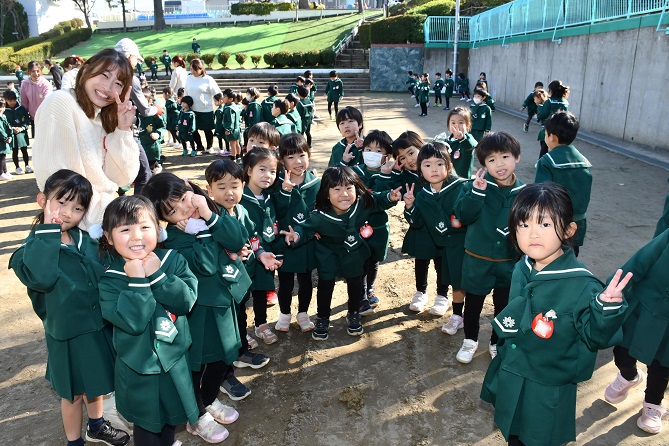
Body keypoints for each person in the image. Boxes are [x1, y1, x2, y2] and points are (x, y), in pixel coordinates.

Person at [480, 182, 631, 446]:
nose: (533, 233)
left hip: (547, 385)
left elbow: (597, 337)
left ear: (569, 230)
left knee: (537, 439)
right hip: (513, 369)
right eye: (524, 224)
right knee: (512, 433)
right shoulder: (522, 267)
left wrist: (606, 308)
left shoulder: (582, 284)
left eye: (545, 224)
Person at [9, 170, 131, 446]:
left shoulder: (85, 239)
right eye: (61, 203)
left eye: (77, 208)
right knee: (73, 394)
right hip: (67, 336)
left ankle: (96, 425)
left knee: (96, 384)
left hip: (97, 327)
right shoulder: (29, 252)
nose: (67, 213)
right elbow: (42, 277)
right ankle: (74, 442)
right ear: (43, 200)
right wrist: (48, 231)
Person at [142, 173, 245, 442]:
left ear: (189, 187)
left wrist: (209, 217)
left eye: (183, 198)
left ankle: (207, 400)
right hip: (198, 312)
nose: (184, 209)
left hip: (223, 303)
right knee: (196, 365)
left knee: (224, 358)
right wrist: (201, 233)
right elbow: (206, 266)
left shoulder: (212, 212)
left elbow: (238, 240)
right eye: (172, 211)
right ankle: (196, 415)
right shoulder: (173, 239)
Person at [98, 195, 201, 445]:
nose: (136, 236)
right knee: (146, 425)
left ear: (158, 229)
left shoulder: (172, 261)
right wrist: (138, 281)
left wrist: (157, 275)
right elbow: (133, 322)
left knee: (170, 419)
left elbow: (185, 302)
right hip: (138, 368)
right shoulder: (110, 280)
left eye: (145, 227)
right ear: (109, 237)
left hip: (174, 360)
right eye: (125, 229)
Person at [32, 48, 138, 230]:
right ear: (87, 68)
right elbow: (58, 184)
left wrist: (122, 130)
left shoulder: (101, 118)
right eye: (104, 75)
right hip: (76, 224)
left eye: (118, 83)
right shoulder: (61, 102)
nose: (108, 87)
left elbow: (122, 178)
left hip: (100, 221)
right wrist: (109, 220)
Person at [294, 166, 402, 340]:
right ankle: (322, 318)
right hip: (328, 252)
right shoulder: (319, 214)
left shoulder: (362, 203)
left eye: (349, 188)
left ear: (356, 189)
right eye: (337, 189)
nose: (344, 194)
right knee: (326, 284)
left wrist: (390, 197)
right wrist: (296, 235)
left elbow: (379, 200)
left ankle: (353, 313)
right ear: (326, 193)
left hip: (353, 249)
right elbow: (306, 227)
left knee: (355, 281)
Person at [454, 131, 525, 363]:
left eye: (505, 157)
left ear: (517, 157)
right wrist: (477, 192)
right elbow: (463, 215)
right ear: (484, 164)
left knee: (503, 306)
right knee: (473, 304)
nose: (499, 164)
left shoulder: (525, 193)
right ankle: (470, 340)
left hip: (509, 262)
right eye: (491, 160)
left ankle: (496, 342)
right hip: (478, 260)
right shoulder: (474, 186)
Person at [204, 159, 273, 399]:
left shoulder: (242, 210)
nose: (229, 193)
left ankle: (241, 352)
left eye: (234, 186)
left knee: (241, 317)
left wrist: (260, 253)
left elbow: (252, 237)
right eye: (221, 187)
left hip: (241, 280)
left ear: (243, 186)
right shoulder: (210, 217)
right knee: (225, 331)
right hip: (222, 286)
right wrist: (230, 253)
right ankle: (225, 376)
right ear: (209, 190)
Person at [603, 227, 669, 434]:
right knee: (622, 351)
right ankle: (629, 375)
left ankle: (652, 404)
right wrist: (615, 285)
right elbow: (641, 260)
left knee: (661, 366)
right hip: (643, 305)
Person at [403, 142, 468, 320]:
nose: (434, 169)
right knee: (426, 260)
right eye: (427, 165)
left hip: (457, 244)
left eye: (439, 163)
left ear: (449, 166)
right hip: (433, 238)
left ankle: (444, 298)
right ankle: (421, 292)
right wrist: (410, 206)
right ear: (420, 169)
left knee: (450, 271)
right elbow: (416, 222)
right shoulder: (423, 194)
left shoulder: (461, 188)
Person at [273, 133, 320, 332]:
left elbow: (318, 213)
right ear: (282, 160)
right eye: (291, 157)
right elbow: (275, 211)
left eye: (302, 155)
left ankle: (303, 313)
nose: (298, 161)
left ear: (309, 155)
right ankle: (284, 314)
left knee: (305, 280)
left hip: (306, 241)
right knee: (284, 281)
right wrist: (284, 191)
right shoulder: (275, 183)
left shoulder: (316, 183)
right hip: (283, 242)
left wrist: (309, 231)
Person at [239, 147, 284, 344]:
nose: (268, 175)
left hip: (266, 252)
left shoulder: (268, 197)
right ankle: (241, 332)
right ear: (249, 170)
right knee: (242, 295)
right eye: (262, 169)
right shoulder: (240, 197)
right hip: (245, 254)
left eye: (273, 171)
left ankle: (261, 325)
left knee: (261, 289)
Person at [535, 111, 591, 257]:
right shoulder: (583, 163)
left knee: (548, 258)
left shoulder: (547, 162)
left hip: (553, 223)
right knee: (570, 257)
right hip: (577, 224)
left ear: (552, 137)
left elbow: (540, 194)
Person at [114, 38, 160, 195]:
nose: (136, 63)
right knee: (144, 174)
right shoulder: (129, 78)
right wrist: (157, 109)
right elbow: (145, 110)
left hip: (104, 131)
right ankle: (138, 207)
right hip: (126, 130)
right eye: (135, 59)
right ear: (129, 57)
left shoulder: (104, 75)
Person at [186, 58, 222, 154]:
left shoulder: (208, 79)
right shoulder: (189, 78)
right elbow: (186, 92)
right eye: (191, 69)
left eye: (195, 69)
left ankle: (209, 146)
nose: (193, 71)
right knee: (193, 129)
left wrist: (218, 102)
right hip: (192, 109)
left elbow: (217, 93)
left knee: (207, 129)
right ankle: (199, 146)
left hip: (206, 109)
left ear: (201, 68)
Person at [433, 107, 478, 179]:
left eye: (461, 122)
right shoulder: (446, 140)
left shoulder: (467, 138)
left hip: (462, 180)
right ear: (448, 125)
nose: (456, 125)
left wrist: (462, 137)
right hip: (447, 178)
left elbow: (472, 145)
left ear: (467, 125)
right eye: (453, 123)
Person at [536, 79, 569, 159]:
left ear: (551, 90)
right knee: (558, 148)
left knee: (544, 146)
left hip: (549, 128)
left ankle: (541, 162)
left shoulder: (549, 101)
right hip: (561, 129)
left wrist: (539, 107)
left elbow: (542, 115)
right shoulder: (565, 102)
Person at [3, 89, 32, 175]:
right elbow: (5, 123)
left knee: (24, 150)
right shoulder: (5, 111)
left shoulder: (21, 108)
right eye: (10, 101)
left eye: (14, 100)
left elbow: (27, 119)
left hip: (22, 132)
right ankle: (17, 167)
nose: (12, 102)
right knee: (15, 151)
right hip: (12, 133)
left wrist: (22, 128)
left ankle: (27, 165)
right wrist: (12, 129)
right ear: (6, 100)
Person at [20, 60, 52, 138]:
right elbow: (24, 102)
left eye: (38, 71)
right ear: (29, 72)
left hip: (45, 117)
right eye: (33, 71)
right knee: (36, 139)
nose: (36, 74)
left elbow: (47, 101)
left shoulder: (46, 84)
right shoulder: (25, 84)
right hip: (33, 117)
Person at [137, 88, 165, 175]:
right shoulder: (135, 114)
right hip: (138, 146)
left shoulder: (154, 115)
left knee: (149, 171)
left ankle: (156, 167)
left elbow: (162, 126)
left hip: (151, 148)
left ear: (149, 101)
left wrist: (158, 134)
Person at [222, 89, 242, 158]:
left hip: (232, 130)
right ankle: (238, 156)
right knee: (237, 143)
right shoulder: (235, 106)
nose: (223, 98)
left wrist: (228, 129)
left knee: (232, 145)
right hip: (237, 128)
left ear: (230, 99)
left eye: (225, 97)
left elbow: (230, 120)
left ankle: (233, 158)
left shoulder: (229, 109)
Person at [0, 98, 14, 180]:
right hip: (1, 140)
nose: (1, 109)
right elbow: (0, 130)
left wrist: (10, 136)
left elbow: (8, 127)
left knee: (3, 156)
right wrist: (5, 138)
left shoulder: (3, 116)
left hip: (4, 140)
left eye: (3, 107)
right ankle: (1, 173)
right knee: (1, 156)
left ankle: (5, 171)